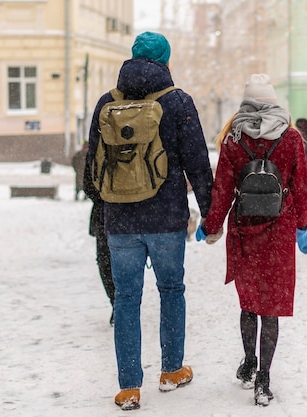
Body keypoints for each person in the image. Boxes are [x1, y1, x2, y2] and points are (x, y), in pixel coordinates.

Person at [86, 31, 213, 411]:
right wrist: (210, 211)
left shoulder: (107, 102)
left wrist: (107, 205)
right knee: (171, 290)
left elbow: (92, 165)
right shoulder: (178, 102)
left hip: (120, 220)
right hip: (166, 218)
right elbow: (198, 163)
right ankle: (171, 370)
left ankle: (129, 387)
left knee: (126, 299)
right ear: (165, 61)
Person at [196, 74, 307, 407]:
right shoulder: (291, 138)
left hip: (245, 230)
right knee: (270, 307)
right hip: (278, 231)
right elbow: (302, 187)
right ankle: (264, 379)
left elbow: (222, 189)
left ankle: (248, 364)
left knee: (249, 303)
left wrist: (211, 225)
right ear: (274, 102)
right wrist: (301, 226)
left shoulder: (234, 138)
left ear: (245, 104)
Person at [83, 160, 115, 326]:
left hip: (104, 214)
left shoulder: (99, 143)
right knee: (126, 260)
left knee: (105, 261)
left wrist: (105, 198)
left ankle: (118, 302)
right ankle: (124, 303)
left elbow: (88, 186)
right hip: (132, 213)